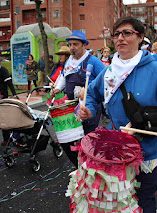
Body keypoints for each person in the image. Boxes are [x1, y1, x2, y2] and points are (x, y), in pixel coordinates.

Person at [78, 16, 157, 212]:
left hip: (148, 154)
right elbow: (92, 94)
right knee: (119, 201)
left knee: (143, 201)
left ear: (140, 37)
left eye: (127, 33)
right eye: (117, 34)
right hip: (117, 154)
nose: (120, 38)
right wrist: (88, 110)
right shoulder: (108, 72)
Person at [50, 30, 105, 167]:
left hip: (89, 106)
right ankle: (80, 166)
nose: (72, 47)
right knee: (71, 138)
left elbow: (106, 80)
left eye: (75, 44)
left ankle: (92, 167)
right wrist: (57, 88)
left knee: (87, 138)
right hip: (71, 106)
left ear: (84, 45)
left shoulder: (94, 61)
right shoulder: (69, 61)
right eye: (70, 44)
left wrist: (88, 89)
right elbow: (63, 76)